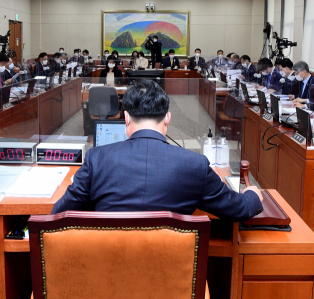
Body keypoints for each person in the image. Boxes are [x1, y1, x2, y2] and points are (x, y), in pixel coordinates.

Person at [52, 79, 263, 219]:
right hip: (174, 279)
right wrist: (253, 194)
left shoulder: (96, 158)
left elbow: (58, 215)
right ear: (168, 119)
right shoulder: (195, 165)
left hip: (108, 276)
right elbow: (239, 209)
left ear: (126, 118)